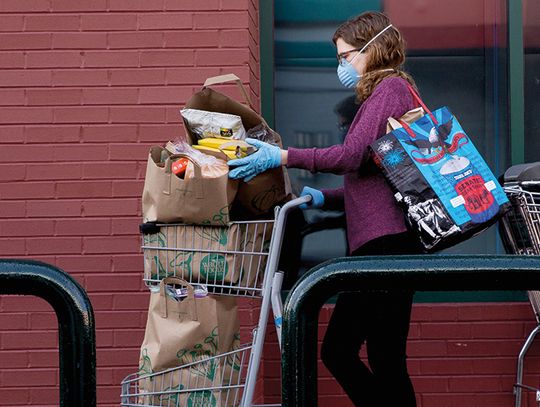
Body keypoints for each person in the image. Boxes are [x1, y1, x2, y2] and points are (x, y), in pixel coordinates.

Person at [228, 11, 422, 407]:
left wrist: (283, 156)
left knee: (345, 351)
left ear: (373, 49)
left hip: (385, 246)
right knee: (382, 357)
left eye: (345, 56)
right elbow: (374, 174)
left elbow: (351, 156)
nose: (341, 66)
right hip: (383, 242)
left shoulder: (389, 89)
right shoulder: (383, 94)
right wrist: (325, 197)